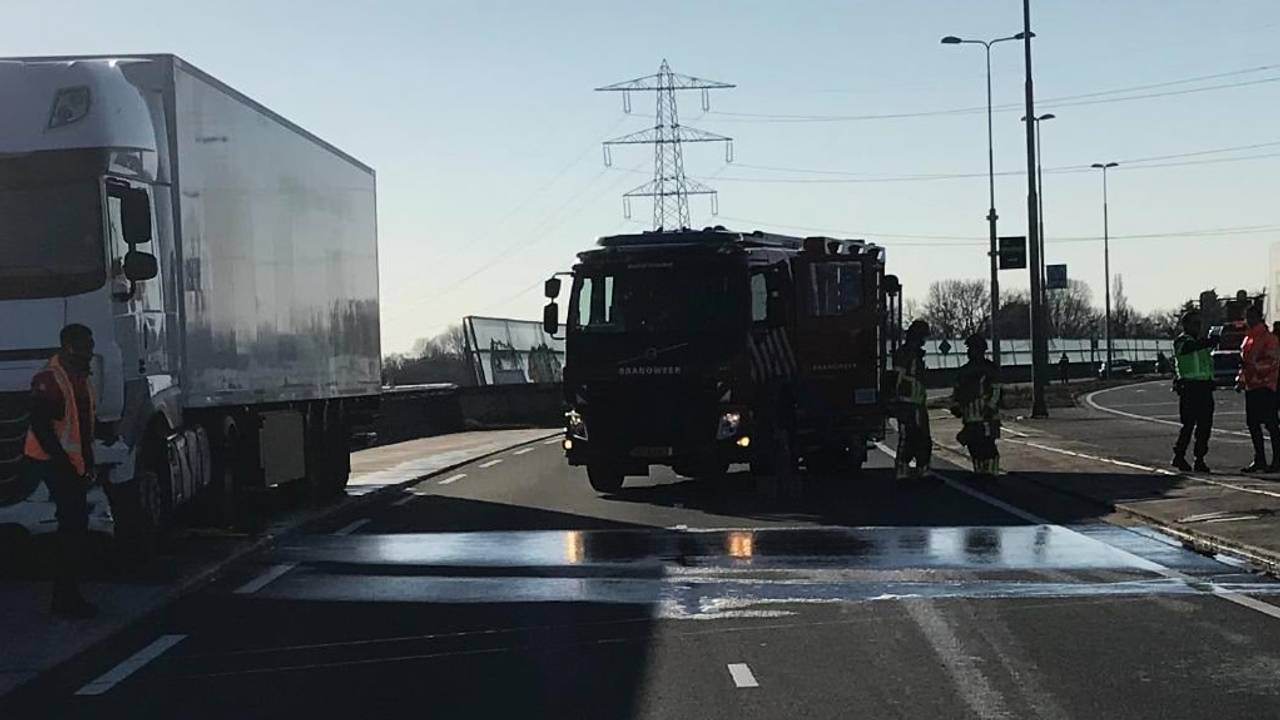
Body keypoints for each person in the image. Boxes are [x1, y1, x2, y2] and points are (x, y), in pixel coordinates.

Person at [23, 324, 100, 618]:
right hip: (51, 463)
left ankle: (68, 595)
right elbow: (42, 426)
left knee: (75, 528)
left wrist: (88, 463)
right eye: (87, 346)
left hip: (69, 465)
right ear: (70, 347)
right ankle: (65, 598)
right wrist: (63, 464)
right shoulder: (50, 379)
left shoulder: (79, 379)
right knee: (71, 529)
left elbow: (82, 426)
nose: (91, 352)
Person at [1237, 306, 1280, 473]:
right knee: (1253, 423)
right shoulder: (1247, 339)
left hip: (1266, 385)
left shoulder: (1268, 338)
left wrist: (1254, 368)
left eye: (1252, 316)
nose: (1249, 319)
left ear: (1259, 317)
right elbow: (1244, 364)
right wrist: (1240, 380)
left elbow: (1273, 361)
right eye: (1247, 316)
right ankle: (1259, 459)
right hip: (1251, 386)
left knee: (1271, 423)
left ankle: (1277, 459)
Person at [951, 335, 1002, 477]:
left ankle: (991, 473)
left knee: (988, 446)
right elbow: (957, 392)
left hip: (986, 416)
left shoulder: (989, 368)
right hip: (970, 416)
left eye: (972, 348)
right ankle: (980, 472)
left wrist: (990, 406)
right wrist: (956, 406)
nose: (969, 352)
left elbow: (996, 389)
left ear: (980, 350)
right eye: (969, 349)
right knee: (974, 446)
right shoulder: (963, 371)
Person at [1171, 311, 1214, 472]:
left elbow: (1206, 364)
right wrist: (1207, 342)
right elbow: (1188, 349)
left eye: (1199, 324)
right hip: (1189, 388)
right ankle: (1179, 455)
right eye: (1195, 324)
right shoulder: (1182, 341)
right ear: (1186, 325)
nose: (1198, 327)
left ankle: (1199, 458)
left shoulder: (1200, 343)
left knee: (1205, 426)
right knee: (1188, 425)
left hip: (1204, 387)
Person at [892, 320, 931, 480]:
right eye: (922, 336)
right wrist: (895, 400)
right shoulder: (904, 354)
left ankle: (923, 470)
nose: (924, 341)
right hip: (907, 403)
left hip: (918, 404)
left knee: (923, 438)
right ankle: (902, 472)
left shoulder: (916, 355)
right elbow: (897, 378)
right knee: (908, 438)